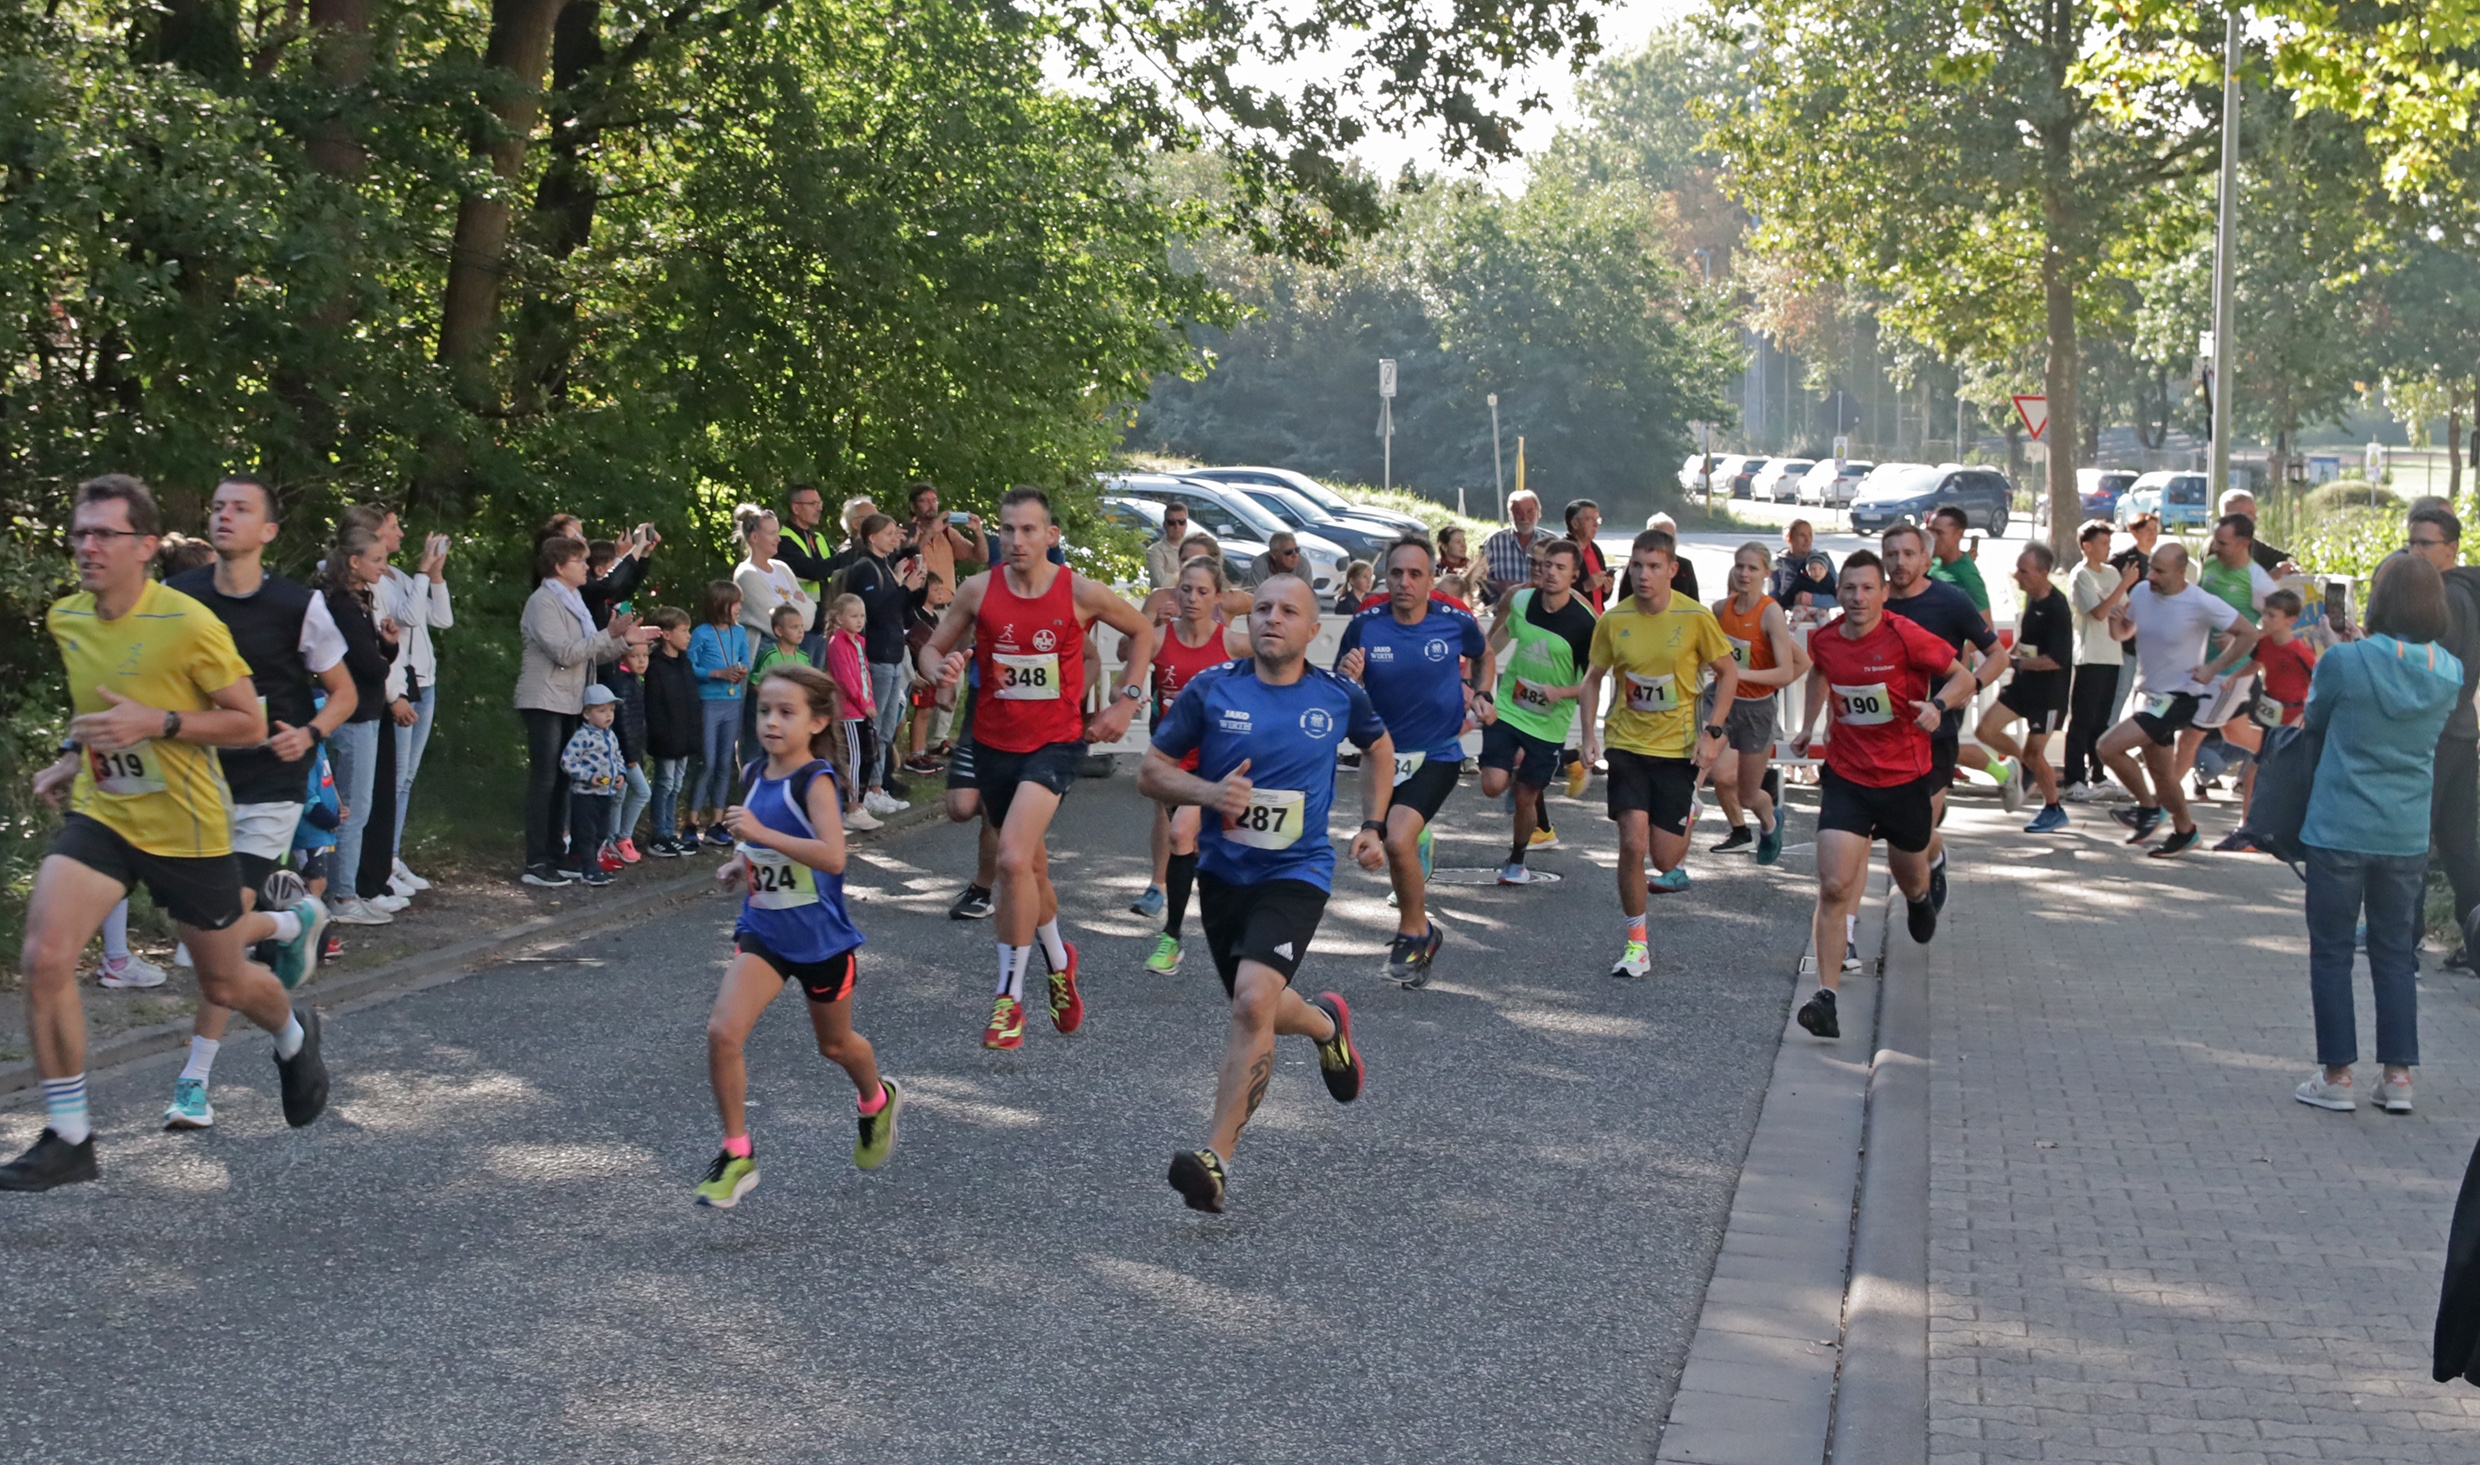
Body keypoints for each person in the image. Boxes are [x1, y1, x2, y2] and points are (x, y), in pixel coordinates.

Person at [2, 476, 330, 1191]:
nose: (86, 545)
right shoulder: (68, 618)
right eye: (79, 532)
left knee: (224, 978)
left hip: (188, 827)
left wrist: (158, 722)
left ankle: (293, 1033)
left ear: (146, 547)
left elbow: (246, 722)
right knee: (46, 952)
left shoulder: (187, 622)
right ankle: (69, 1133)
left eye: (104, 534)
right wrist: (69, 755)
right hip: (107, 812)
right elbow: (97, 707)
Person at [1139, 572, 1384, 1214]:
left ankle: (1214, 1159)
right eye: (1264, 608)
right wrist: (1209, 794)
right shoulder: (1212, 689)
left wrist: (1373, 824)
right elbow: (1150, 770)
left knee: (1251, 1002)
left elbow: (1379, 749)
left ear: (1311, 630)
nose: (1273, 618)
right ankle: (1327, 1024)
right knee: (1262, 1008)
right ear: (1249, 622)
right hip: (1224, 877)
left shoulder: (1337, 697)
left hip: (1295, 874)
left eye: (1289, 611)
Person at [917, 487, 1155, 1051]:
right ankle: (1057, 958)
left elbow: (1143, 630)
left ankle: (1008, 998)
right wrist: (940, 667)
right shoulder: (979, 589)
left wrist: (1127, 699)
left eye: (1028, 530)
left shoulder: (1079, 591)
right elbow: (930, 649)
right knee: (1032, 873)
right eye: (1006, 530)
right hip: (995, 740)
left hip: (1054, 743)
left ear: (1050, 536)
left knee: (1012, 858)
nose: (1016, 541)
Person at [153, 474, 354, 1127]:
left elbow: (345, 691)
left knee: (214, 938)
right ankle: (294, 922)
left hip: (269, 786)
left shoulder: (300, 607)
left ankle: (194, 1082)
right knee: (210, 944)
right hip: (194, 783)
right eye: (216, 506)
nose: (224, 516)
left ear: (268, 531)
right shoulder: (173, 599)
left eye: (240, 508)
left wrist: (312, 731)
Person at [695, 663, 899, 1206]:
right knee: (722, 1032)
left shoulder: (817, 781)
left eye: (787, 713)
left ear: (816, 722)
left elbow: (833, 855)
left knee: (834, 1044)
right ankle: (737, 1152)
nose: (771, 722)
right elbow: (761, 838)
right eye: (765, 711)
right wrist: (742, 860)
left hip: (820, 940)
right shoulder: (755, 774)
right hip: (763, 929)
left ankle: (875, 1100)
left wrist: (759, 835)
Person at [2294, 552, 2460, 1115]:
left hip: (2338, 823)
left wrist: (2329, 654)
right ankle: (2398, 1076)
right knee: (2395, 953)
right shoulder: (2450, 672)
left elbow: (2315, 720)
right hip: (2406, 830)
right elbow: (2400, 673)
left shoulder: (2344, 661)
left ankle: (2336, 1076)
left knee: (2332, 951)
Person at [1787, 550, 1976, 1039]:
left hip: (1904, 777)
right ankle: (1824, 997)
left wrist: (1937, 706)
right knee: (1833, 885)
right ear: (1839, 592)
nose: (1857, 597)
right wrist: (1808, 725)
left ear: (1883, 594)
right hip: (1848, 778)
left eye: (1868, 588)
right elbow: (1820, 673)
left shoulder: (1903, 635)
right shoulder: (1827, 640)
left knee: (1907, 871)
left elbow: (1964, 677)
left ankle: (1919, 894)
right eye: (1849, 588)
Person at [1579, 529, 1738, 977]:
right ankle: (1637, 944)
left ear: (1672, 570)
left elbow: (1728, 674)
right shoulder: (1614, 620)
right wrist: (1590, 733)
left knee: (1666, 859)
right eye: (1636, 566)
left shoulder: (1696, 618)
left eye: (1653, 566)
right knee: (1632, 842)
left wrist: (1713, 731)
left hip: (1678, 749)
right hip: (1627, 743)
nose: (1643, 575)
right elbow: (1594, 677)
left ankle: (1689, 805)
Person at [1335, 536, 1492, 985]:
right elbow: (1338, 686)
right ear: (1387, 578)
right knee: (1383, 843)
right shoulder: (1365, 625)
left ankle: (1412, 932)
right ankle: (1421, 930)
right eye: (1396, 574)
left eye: (1415, 574)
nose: (1404, 583)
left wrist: (1481, 694)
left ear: (1429, 579)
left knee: (1399, 840)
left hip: (1438, 751)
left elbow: (1484, 656)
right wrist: (1350, 679)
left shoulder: (1453, 620)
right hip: (1381, 756)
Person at [2096, 543, 2260, 856]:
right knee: (2162, 773)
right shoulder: (2143, 592)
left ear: (2181, 572)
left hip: (2180, 696)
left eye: (2160, 571)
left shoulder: (2199, 602)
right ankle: (2185, 831)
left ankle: (2147, 809)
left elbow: (2248, 634)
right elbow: (2124, 633)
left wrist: (2214, 667)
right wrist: (2116, 623)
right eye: (2151, 568)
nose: (2151, 576)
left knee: (2108, 746)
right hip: (2148, 693)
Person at [1132, 556, 1249, 970]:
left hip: (1222, 762)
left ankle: (1177, 936)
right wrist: (1127, 697)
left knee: (1192, 839)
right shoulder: (1159, 638)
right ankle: (1174, 937)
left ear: (1218, 597)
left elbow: (1279, 672)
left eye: (1203, 591)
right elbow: (1124, 681)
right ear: (1175, 592)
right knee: (1186, 839)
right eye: (1186, 589)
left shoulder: (1234, 646)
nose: (1193, 598)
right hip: (1175, 765)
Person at [517, 536, 653, 887]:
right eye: (579, 561)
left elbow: (592, 652)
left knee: (564, 781)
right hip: (545, 698)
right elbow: (565, 652)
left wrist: (626, 640)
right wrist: (610, 632)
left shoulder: (574, 600)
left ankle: (556, 853)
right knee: (545, 781)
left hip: (570, 699)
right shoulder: (544, 602)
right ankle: (535, 861)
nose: (586, 567)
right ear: (559, 567)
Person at [1881, 523, 2004, 903]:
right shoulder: (1873, 602)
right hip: (1884, 736)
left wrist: (1972, 686)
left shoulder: (1950, 600)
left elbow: (1998, 655)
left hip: (1935, 732)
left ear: (1925, 558)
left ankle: (1932, 863)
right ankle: (1927, 865)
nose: (1899, 563)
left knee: (1914, 832)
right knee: (1898, 832)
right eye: (1891, 555)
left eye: (1908, 554)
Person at [1482, 539, 1595, 884]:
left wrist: (1562, 692)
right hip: (1510, 708)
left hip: (1548, 723)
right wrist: (1479, 661)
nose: (1551, 573)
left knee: (1526, 796)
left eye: (1560, 568)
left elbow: (1594, 682)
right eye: (1547, 565)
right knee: (1491, 784)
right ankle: (1513, 761)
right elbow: (1499, 640)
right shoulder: (1522, 601)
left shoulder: (1586, 623)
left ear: (1574, 576)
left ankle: (1517, 859)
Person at [356, 507, 452, 899]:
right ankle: (378, 863)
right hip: (401, 684)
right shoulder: (379, 580)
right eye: (393, 528)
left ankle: (391, 856)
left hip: (423, 680)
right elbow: (410, 616)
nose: (400, 533)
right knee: (391, 780)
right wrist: (422, 569)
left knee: (406, 779)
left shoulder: (397, 576)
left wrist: (436, 575)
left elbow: (440, 618)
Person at [2406, 506, 2480, 962]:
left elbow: (2434, 671)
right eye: (2409, 542)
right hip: (2460, 733)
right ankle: (2475, 945)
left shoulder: (2448, 599)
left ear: (2450, 549)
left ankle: (2403, 936)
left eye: (2423, 544)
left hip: (2438, 734)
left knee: (2413, 836)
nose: (2413, 550)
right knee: (2458, 845)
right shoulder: (2465, 592)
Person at [1707, 541, 1809, 862]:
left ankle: (1769, 821)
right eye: (1740, 566)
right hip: (1723, 701)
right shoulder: (1720, 609)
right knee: (1717, 773)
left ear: (1767, 572)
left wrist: (1741, 676)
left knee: (1749, 793)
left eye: (1752, 568)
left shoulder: (1771, 613)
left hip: (1757, 710)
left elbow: (1791, 668)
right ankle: (1730, 828)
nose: (1744, 573)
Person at [320, 524, 400, 924]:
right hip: (352, 715)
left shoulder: (360, 602)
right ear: (354, 562)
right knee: (352, 807)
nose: (384, 568)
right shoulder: (342, 606)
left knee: (360, 806)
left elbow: (376, 657)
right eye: (377, 560)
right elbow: (366, 664)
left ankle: (346, 889)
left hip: (367, 712)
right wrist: (381, 659)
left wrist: (387, 644)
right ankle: (342, 896)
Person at [1976, 544, 2075, 831]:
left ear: (2043, 573)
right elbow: (2027, 642)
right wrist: (2011, 656)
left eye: (2024, 571)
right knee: (1986, 730)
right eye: (2018, 569)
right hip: (2023, 687)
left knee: (2035, 753)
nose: (2017, 576)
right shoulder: (2032, 600)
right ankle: (2024, 768)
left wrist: (2015, 664)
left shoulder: (2057, 608)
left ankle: (2053, 807)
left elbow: (2057, 659)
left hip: (2048, 695)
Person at [845, 513, 928, 811]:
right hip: (877, 653)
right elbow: (875, 610)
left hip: (894, 653)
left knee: (887, 727)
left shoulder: (885, 565)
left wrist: (916, 587)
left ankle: (878, 786)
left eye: (896, 533)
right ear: (872, 537)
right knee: (875, 725)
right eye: (890, 533)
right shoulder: (865, 569)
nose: (896, 538)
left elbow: (903, 610)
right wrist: (903, 588)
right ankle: (868, 788)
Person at [2062, 520, 2128, 799]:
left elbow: (2122, 608)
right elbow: (2099, 613)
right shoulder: (2081, 575)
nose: (2107, 548)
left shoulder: (2112, 573)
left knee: (2102, 720)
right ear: (2086, 546)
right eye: (2102, 543)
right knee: (2082, 719)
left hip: (2113, 654)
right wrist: (2123, 586)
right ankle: (2074, 778)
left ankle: (2098, 774)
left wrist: (2116, 592)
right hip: (2090, 655)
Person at [686, 580, 750, 848]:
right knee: (707, 762)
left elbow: (745, 659)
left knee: (725, 763)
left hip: (732, 702)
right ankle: (690, 823)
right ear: (722, 604)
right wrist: (716, 673)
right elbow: (689, 666)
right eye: (736, 603)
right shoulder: (701, 633)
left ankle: (717, 823)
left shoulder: (740, 632)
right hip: (708, 703)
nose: (739, 608)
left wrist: (741, 670)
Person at [642, 608, 702, 857]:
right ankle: (660, 833)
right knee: (664, 783)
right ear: (666, 634)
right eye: (684, 631)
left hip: (684, 737)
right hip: (667, 738)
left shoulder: (684, 663)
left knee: (676, 785)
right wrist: (661, 737)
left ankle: (670, 833)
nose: (689, 636)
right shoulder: (656, 667)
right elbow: (654, 707)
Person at [823, 592, 883, 831]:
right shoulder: (837, 643)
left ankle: (858, 803)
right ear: (839, 618)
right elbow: (845, 680)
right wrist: (863, 703)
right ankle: (851, 807)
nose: (860, 620)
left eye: (862, 616)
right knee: (854, 761)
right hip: (849, 712)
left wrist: (870, 702)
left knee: (867, 757)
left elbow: (864, 674)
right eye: (854, 616)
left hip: (863, 709)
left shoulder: (858, 642)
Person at [561, 685, 627, 886]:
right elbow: (567, 761)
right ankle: (589, 870)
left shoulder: (611, 735)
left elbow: (618, 757)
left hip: (606, 794)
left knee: (601, 832)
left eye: (611, 710)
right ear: (587, 714)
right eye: (601, 711)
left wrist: (621, 774)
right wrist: (589, 777)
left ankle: (577, 860)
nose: (608, 715)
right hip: (585, 794)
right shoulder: (583, 737)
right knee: (586, 832)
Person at [774, 483, 837, 664]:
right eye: (813, 504)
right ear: (795, 507)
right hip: (799, 625)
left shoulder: (818, 539)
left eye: (820, 503)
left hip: (821, 623)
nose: (819, 508)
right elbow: (813, 570)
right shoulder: (784, 538)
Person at [608, 642, 655, 861]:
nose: (642, 660)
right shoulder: (622, 683)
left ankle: (616, 839)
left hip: (629, 752)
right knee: (641, 792)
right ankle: (619, 838)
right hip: (623, 754)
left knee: (620, 795)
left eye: (645, 655)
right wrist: (630, 756)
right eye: (635, 656)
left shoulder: (634, 681)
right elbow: (624, 724)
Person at [1925, 504, 1993, 627]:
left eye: (1940, 533)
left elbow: (1986, 626)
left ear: (1959, 535)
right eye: (1931, 531)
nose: (1933, 538)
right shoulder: (1929, 562)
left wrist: (1955, 646)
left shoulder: (1967, 575)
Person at [1481, 489, 1550, 605]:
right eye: (1518, 512)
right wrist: (1498, 585)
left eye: (1530, 511)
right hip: (1504, 610)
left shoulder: (1551, 542)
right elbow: (1478, 580)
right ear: (1510, 515)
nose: (1524, 517)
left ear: (1539, 513)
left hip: (1541, 610)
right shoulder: (1493, 542)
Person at [1769, 520, 1835, 611]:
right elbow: (1771, 600)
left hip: (1820, 619)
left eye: (1810, 535)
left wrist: (1810, 599)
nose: (1807, 540)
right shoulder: (1777, 563)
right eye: (1802, 535)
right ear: (1789, 538)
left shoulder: (1822, 561)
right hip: (1788, 618)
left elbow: (1840, 598)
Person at [1565, 499, 1611, 613]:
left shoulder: (1595, 549)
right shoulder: (1563, 550)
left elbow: (1600, 597)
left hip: (1596, 619)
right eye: (1589, 519)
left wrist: (1607, 588)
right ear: (1575, 523)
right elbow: (1554, 589)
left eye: (1597, 520)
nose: (1595, 525)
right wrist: (1585, 587)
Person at [1145, 501, 1193, 589]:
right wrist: (1191, 577)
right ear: (1165, 525)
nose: (1177, 526)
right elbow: (1161, 582)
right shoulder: (1154, 551)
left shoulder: (1193, 548)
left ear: (1186, 525)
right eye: (1172, 522)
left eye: (1181, 522)